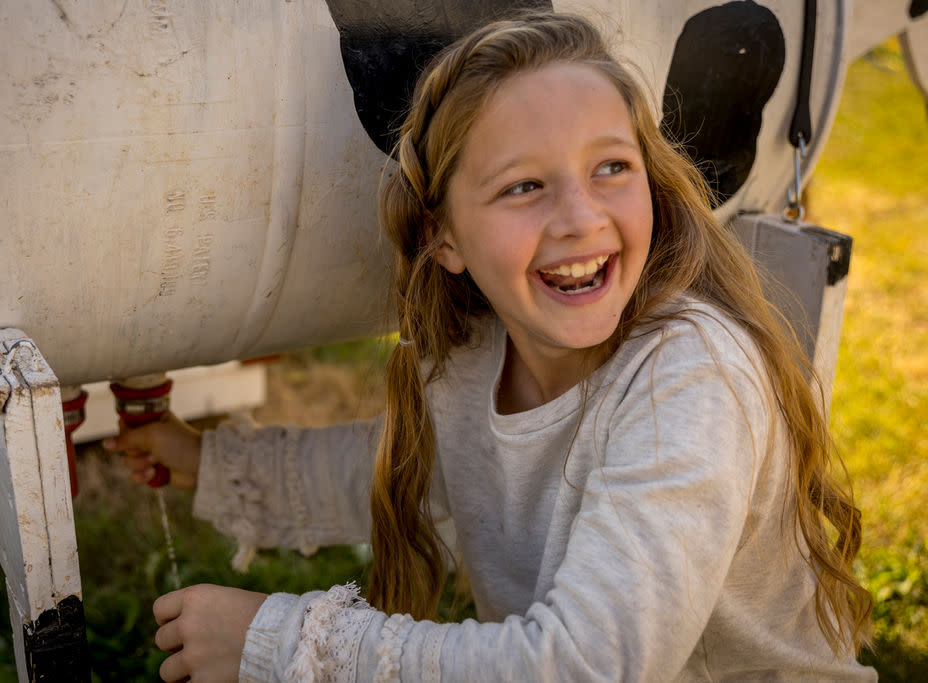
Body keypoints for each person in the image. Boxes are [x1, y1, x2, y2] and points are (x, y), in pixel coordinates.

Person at [103, 11, 875, 681]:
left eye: (612, 167)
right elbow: (392, 474)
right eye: (523, 186)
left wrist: (280, 642)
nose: (580, 217)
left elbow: (587, 666)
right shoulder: (478, 357)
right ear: (443, 238)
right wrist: (209, 461)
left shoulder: (688, 376)